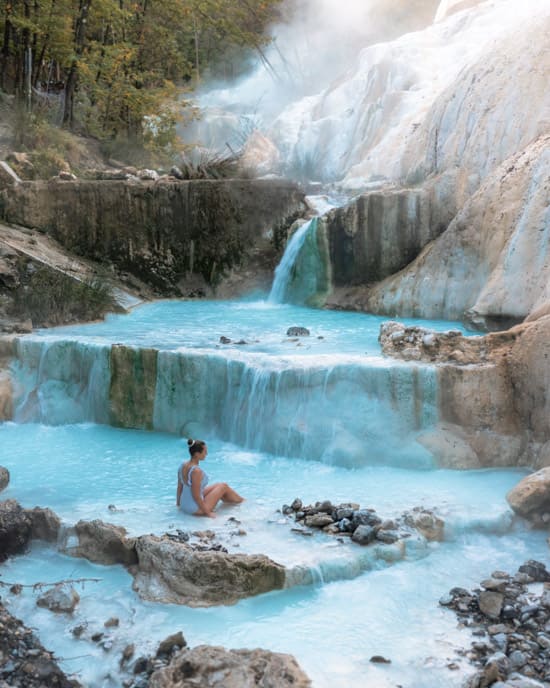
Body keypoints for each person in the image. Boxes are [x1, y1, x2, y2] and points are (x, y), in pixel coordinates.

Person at [176, 438, 244, 518]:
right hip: (194, 509)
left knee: (220, 485)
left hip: (184, 504)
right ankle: (243, 503)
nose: (206, 454)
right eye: (205, 451)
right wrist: (208, 513)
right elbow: (196, 496)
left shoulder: (183, 465)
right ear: (197, 454)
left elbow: (179, 487)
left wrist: (178, 504)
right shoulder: (196, 471)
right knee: (223, 487)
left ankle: (236, 501)